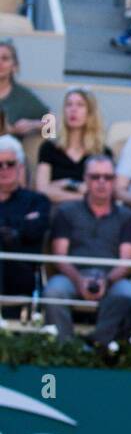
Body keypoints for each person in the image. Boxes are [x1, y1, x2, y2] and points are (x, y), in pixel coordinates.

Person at [45, 155, 131, 347]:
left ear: (114, 181)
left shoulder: (126, 217)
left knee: (129, 294)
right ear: (85, 180)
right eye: (95, 177)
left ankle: (100, 346)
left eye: (107, 177)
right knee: (54, 291)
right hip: (72, 276)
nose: (101, 182)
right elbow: (60, 257)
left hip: (112, 278)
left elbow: (127, 261)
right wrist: (79, 280)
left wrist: (106, 281)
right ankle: (63, 350)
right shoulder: (66, 211)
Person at [0, 136, 52, 319]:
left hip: (21, 275)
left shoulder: (36, 201)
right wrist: (18, 226)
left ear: (20, 167)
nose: (4, 170)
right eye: (0, 165)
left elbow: (36, 229)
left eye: (10, 164)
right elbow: (25, 229)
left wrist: (14, 230)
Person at [36, 87, 112, 207]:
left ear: (90, 112)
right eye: (69, 105)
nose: (73, 109)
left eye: (80, 105)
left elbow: (104, 193)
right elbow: (42, 190)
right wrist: (75, 186)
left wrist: (58, 185)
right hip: (55, 211)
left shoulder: (102, 152)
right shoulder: (49, 147)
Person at [0, 40, 50, 138]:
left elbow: (52, 124)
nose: (0, 63)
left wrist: (33, 124)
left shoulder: (22, 97)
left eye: (5, 59)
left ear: (14, 66)